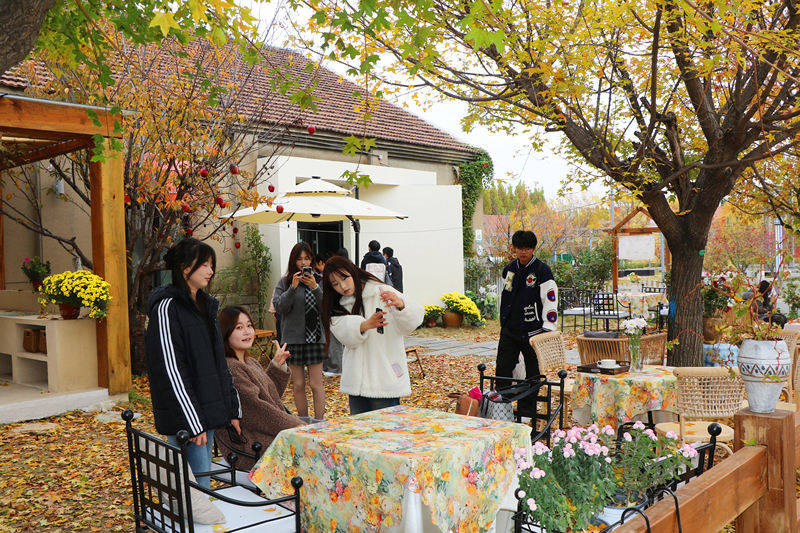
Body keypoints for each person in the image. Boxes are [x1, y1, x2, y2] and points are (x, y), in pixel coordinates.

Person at [144, 238, 241, 489]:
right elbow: (171, 371)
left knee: (200, 487)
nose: (211, 271)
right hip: (186, 420)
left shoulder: (204, 306)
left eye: (211, 265)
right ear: (185, 268)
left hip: (206, 413)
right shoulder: (167, 307)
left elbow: (219, 364)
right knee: (194, 491)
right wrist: (193, 423)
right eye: (204, 265)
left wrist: (232, 410)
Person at [321, 256, 424, 415]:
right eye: (335, 284)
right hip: (356, 383)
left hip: (384, 379)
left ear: (353, 272)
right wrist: (364, 325)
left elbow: (413, 320)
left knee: (387, 428)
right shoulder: (340, 304)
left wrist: (401, 305)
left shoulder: (381, 291)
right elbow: (341, 332)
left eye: (345, 278)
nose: (342, 286)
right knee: (359, 429)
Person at [216, 306, 303, 470]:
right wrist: (299, 427)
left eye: (249, 325)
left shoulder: (250, 362)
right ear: (225, 333)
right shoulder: (231, 367)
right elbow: (258, 410)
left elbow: (269, 395)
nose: (247, 331)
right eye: (239, 327)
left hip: (264, 434)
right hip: (250, 444)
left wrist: (277, 365)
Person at [496, 230, 559, 389]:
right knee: (503, 368)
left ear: (533, 249)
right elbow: (506, 294)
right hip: (510, 328)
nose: (523, 252)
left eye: (527, 248)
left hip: (533, 330)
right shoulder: (509, 269)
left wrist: (548, 326)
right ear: (514, 248)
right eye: (520, 248)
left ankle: (528, 405)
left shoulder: (542, 270)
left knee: (533, 371)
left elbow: (550, 299)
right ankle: (502, 402)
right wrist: (503, 320)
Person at [273, 243, 326, 423]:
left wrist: (315, 288)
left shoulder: (320, 281)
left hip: (315, 338)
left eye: (307, 258)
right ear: (293, 261)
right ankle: (303, 422)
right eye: (299, 259)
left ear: (312, 260)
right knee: (298, 384)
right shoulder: (284, 282)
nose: (303, 263)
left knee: (316, 384)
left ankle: (319, 423)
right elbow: (280, 308)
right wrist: (292, 289)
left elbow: (326, 308)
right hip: (293, 339)